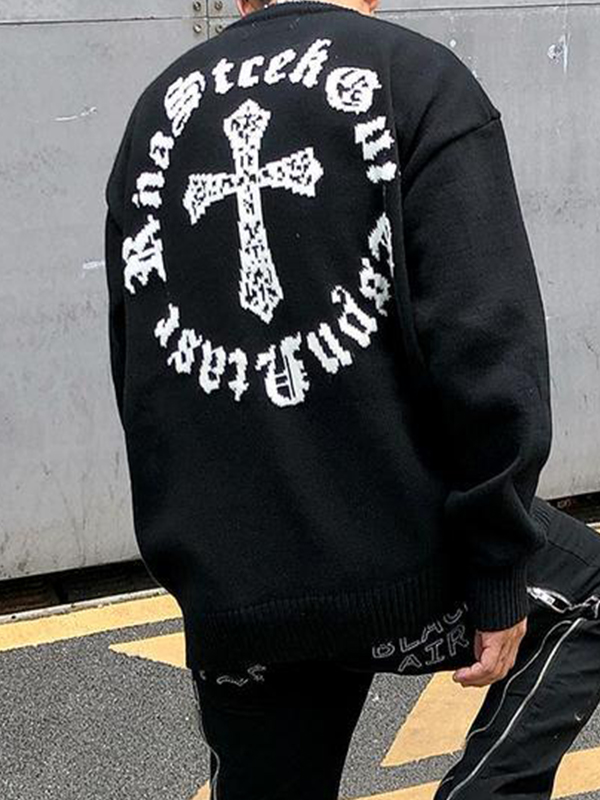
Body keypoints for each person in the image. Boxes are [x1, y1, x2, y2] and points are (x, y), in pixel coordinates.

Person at [102, 0, 600, 796]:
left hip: (239, 591)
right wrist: (498, 564)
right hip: (402, 562)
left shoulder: (157, 113)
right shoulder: (416, 81)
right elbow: (483, 344)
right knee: (590, 596)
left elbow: (142, 372)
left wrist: (200, 570)